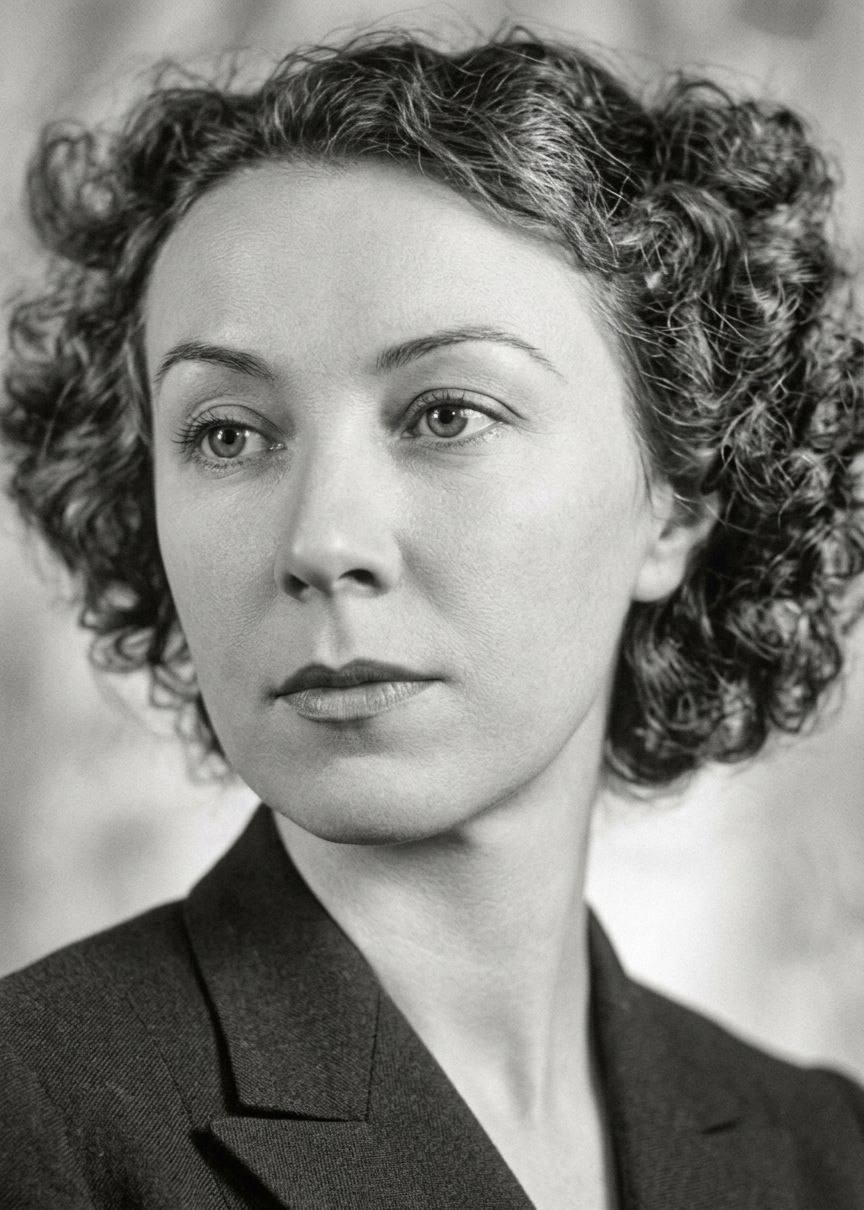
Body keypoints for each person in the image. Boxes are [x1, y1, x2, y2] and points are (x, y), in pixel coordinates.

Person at [1, 25, 863, 1209]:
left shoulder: (827, 1151)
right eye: (227, 433)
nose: (323, 542)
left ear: (675, 500)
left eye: (447, 414)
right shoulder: (33, 1119)